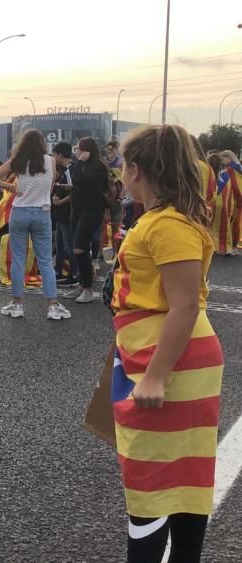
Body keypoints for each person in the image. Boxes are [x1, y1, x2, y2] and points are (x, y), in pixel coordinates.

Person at [106, 124, 223, 563]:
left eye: (122, 168)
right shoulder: (164, 220)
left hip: (168, 361)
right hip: (162, 354)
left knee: (152, 484)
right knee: (180, 477)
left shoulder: (168, 226)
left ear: (137, 170)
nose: (120, 177)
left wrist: (155, 375)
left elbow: (185, 305)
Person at [0, 129, 70, 320]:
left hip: (20, 212)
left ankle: (17, 304)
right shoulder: (50, 161)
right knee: (46, 260)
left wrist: (11, 187)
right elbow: (50, 187)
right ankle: (53, 305)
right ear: (42, 145)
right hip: (42, 213)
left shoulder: (18, 161)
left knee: (18, 260)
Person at [64, 137, 111, 304]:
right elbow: (74, 182)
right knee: (77, 248)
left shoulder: (98, 166)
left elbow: (77, 180)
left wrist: (78, 162)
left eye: (79, 149)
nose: (76, 152)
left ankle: (88, 289)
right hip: (77, 210)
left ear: (87, 151)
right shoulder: (83, 166)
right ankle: (82, 284)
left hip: (92, 211)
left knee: (79, 249)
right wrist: (79, 163)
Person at [51, 142, 78, 286]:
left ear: (60, 155)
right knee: (59, 244)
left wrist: (60, 202)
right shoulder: (65, 169)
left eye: (55, 154)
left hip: (67, 213)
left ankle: (74, 274)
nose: (54, 157)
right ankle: (58, 271)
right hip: (61, 214)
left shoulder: (70, 170)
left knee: (69, 245)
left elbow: (75, 192)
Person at [218, 150, 241, 253]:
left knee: (232, 224)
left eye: (223, 157)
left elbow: (233, 186)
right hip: (237, 201)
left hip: (234, 201)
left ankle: (231, 246)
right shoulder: (237, 168)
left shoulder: (230, 170)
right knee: (236, 224)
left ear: (229, 157)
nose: (221, 160)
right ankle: (234, 246)